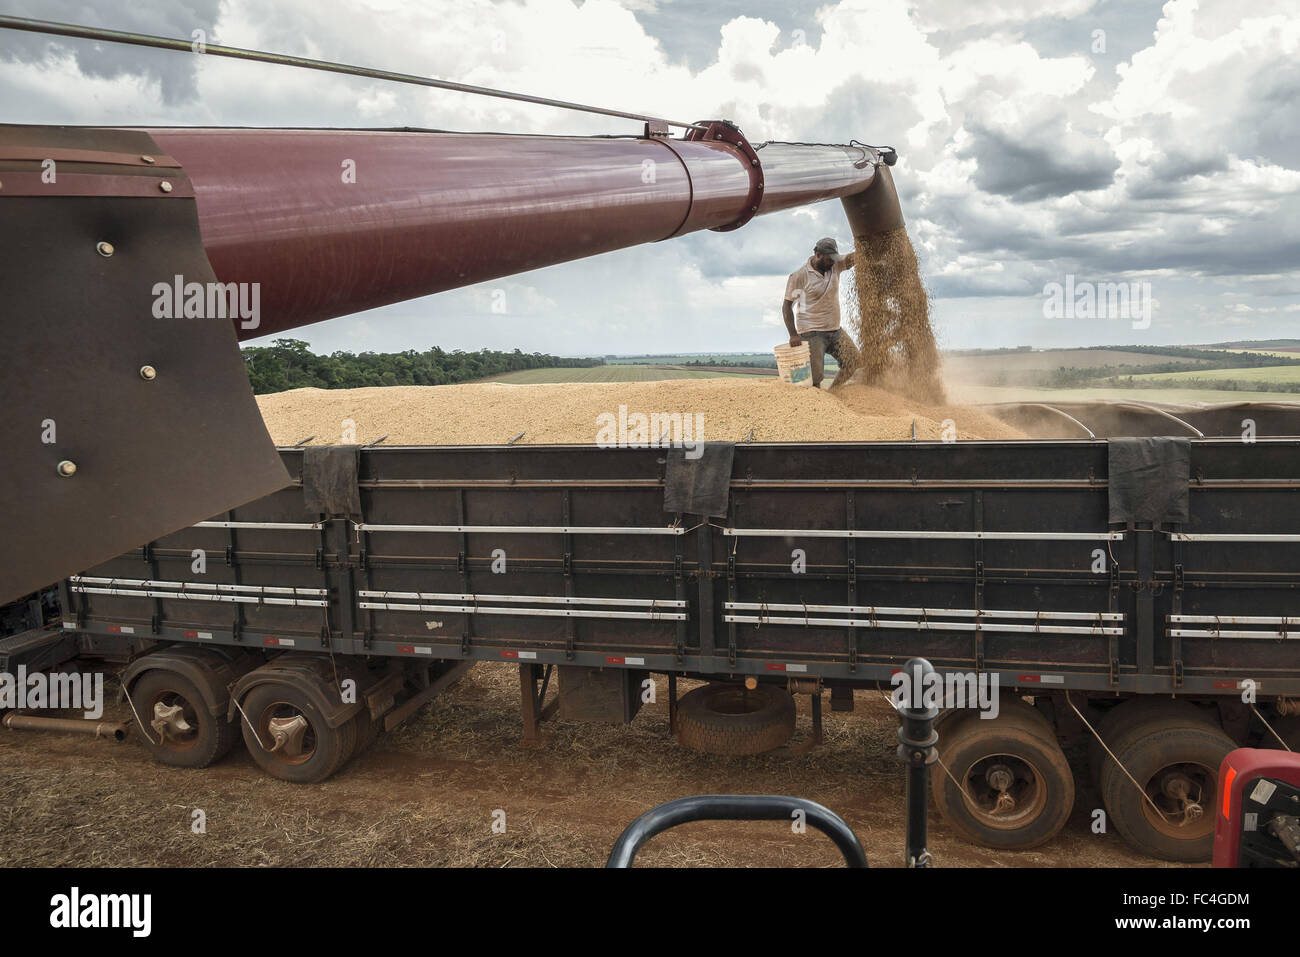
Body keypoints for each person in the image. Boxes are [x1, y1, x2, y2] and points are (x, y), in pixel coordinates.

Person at [781, 237, 864, 388]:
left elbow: (854, 258)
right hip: (811, 332)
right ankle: (816, 408)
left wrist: (866, 244)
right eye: (828, 259)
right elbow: (787, 306)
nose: (832, 262)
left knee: (854, 361)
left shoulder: (835, 265)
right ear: (817, 254)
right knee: (815, 378)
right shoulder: (800, 276)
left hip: (834, 329)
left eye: (834, 259)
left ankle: (833, 393)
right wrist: (793, 334)